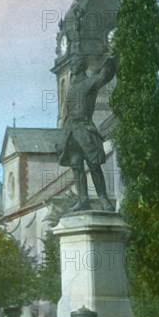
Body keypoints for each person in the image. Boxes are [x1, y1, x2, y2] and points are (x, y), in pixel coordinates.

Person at [56, 54, 118, 212]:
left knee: (94, 165)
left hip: (85, 129)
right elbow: (67, 114)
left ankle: (104, 200)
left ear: (81, 66)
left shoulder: (90, 82)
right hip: (71, 132)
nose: (72, 67)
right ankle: (83, 199)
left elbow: (105, 75)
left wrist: (110, 60)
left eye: (75, 64)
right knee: (76, 167)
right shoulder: (71, 89)